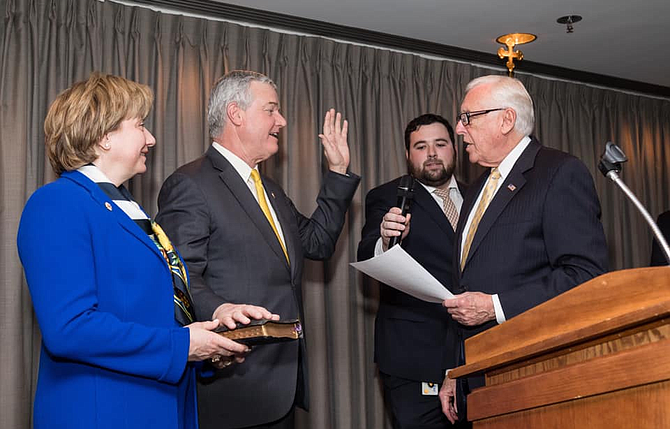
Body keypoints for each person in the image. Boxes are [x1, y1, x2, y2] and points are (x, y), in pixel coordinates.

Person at [16, 73, 277, 429]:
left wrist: (208, 344)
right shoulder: (58, 203)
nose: (151, 139)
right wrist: (182, 345)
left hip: (161, 406)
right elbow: (70, 328)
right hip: (103, 412)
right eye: (140, 125)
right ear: (104, 136)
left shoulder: (131, 212)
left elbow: (155, 314)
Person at [156, 70, 360, 429]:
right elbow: (178, 276)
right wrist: (219, 309)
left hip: (281, 382)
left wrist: (339, 171)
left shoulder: (271, 190)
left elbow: (317, 243)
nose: (281, 121)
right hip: (233, 386)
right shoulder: (191, 184)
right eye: (271, 110)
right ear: (236, 114)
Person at [438, 75, 609, 424]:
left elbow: (585, 276)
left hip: (533, 373)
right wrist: (456, 370)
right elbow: (470, 283)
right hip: (479, 372)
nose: (459, 128)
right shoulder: (477, 188)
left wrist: (495, 307)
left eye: (468, 117)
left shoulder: (559, 173)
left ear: (506, 119)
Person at [358, 114, 465, 428]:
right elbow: (367, 251)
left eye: (440, 144)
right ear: (408, 155)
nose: (431, 153)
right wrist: (387, 241)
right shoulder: (389, 197)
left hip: (478, 356)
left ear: (455, 149)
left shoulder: (481, 196)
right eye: (421, 146)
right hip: (415, 360)